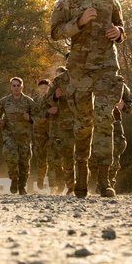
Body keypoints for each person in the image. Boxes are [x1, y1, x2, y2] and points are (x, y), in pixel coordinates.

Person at [49, 0, 126, 198]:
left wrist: (119, 32)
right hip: (80, 69)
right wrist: (79, 22)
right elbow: (56, 32)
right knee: (84, 125)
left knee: (105, 117)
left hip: (106, 65)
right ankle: (81, 175)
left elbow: (121, 24)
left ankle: (103, 178)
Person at [89, 76, 132, 194]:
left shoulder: (119, 85)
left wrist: (123, 105)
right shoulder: (90, 79)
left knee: (114, 156)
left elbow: (130, 106)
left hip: (114, 125)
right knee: (92, 159)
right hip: (93, 125)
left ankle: (108, 184)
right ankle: (99, 182)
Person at [0, 77, 36, 194]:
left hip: (24, 136)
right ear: (10, 87)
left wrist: (31, 118)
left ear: (22, 87)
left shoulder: (29, 102)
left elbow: (40, 116)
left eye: (18, 85)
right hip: (9, 135)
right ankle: (13, 179)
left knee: (24, 163)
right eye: (14, 85)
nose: (16, 88)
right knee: (12, 157)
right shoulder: (3, 101)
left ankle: (21, 186)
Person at [49, 66, 76, 195]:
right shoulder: (59, 80)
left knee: (85, 155)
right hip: (67, 124)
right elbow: (46, 99)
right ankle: (71, 186)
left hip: (85, 122)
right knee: (68, 155)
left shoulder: (88, 76)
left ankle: (86, 184)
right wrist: (55, 96)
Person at [31, 78, 56, 191]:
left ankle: (52, 185)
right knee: (41, 158)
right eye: (42, 88)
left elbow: (56, 111)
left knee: (51, 158)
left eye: (46, 88)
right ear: (39, 89)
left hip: (51, 131)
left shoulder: (52, 99)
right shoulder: (34, 101)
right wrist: (46, 113)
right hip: (38, 133)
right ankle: (40, 178)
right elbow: (34, 116)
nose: (44, 90)